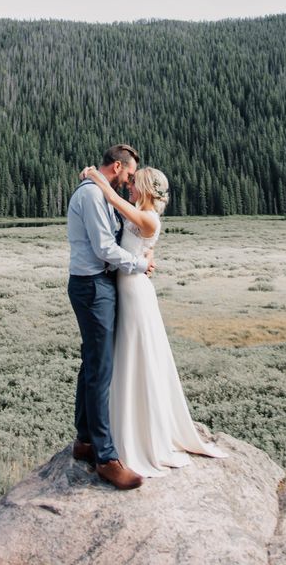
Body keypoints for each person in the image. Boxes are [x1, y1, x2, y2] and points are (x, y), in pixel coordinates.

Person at [82, 164, 227, 477]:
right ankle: (126, 427)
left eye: (135, 184)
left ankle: (138, 435)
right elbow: (137, 239)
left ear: (146, 189)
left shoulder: (148, 218)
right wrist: (146, 258)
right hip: (127, 285)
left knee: (136, 355)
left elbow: (111, 198)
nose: (129, 187)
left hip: (134, 292)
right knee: (128, 355)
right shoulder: (141, 212)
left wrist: (94, 176)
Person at [67, 143, 155, 490]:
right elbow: (104, 247)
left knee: (93, 363)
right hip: (92, 286)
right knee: (100, 368)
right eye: (130, 174)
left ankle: (85, 440)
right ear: (117, 167)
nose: (130, 180)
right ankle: (106, 458)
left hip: (98, 284)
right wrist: (139, 265)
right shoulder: (91, 196)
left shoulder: (99, 191)